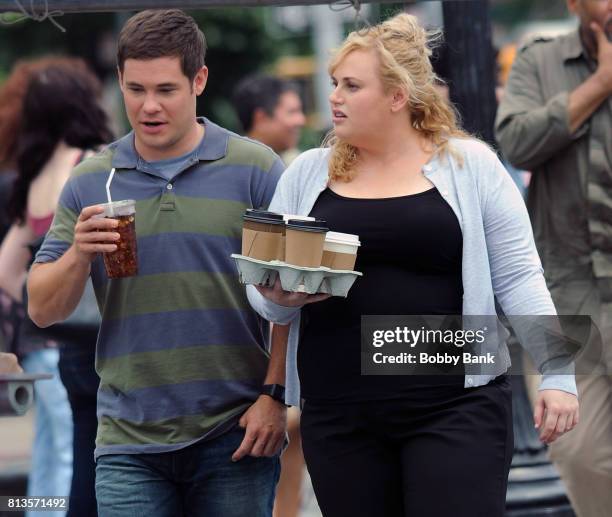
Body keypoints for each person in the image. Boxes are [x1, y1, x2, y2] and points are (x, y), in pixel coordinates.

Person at [247, 13, 580, 517]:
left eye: (351, 85)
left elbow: (519, 276)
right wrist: (276, 295)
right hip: (340, 410)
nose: (333, 95)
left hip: (454, 404)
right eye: (335, 82)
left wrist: (558, 374)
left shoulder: (471, 165)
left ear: (397, 97)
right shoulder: (307, 173)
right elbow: (263, 283)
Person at [27, 10, 286, 517]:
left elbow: (289, 297)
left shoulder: (255, 169)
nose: (148, 106)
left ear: (199, 80)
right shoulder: (91, 179)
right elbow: (41, 308)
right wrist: (79, 253)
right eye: (135, 89)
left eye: (166, 90)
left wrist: (276, 396)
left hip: (234, 433)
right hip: (128, 441)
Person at [495, 1, 612, 515]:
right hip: (569, 292)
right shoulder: (539, 61)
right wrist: (601, 84)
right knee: (580, 450)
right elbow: (516, 142)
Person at [0, 57, 111, 517]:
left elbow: (6, 272)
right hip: (93, 339)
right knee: (77, 452)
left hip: (45, 340)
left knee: (52, 450)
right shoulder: (92, 166)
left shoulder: (36, 175)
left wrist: (37, 290)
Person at [233, 74, 306, 161]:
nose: (301, 121)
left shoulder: (294, 163)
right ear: (261, 118)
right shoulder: (239, 168)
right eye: (292, 112)